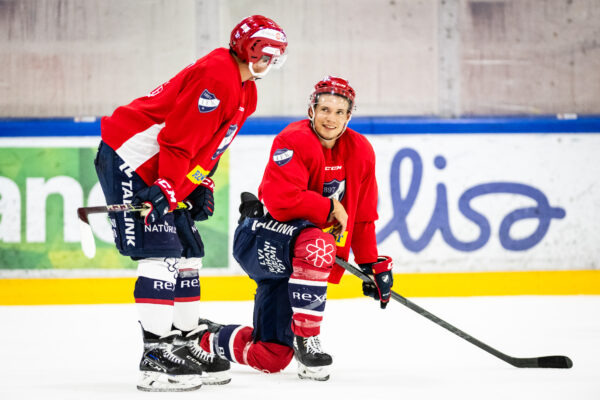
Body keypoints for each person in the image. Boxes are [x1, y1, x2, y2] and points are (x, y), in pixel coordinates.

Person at [93, 15, 288, 392]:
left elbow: (209, 147)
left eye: (276, 56)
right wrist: (169, 185)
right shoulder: (218, 75)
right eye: (265, 53)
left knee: (188, 249)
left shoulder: (246, 90)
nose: (270, 62)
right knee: (162, 250)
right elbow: (177, 140)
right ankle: (155, 352)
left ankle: (182, 339)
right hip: (132, 158)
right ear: (247, 48)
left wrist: (198, 182)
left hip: (164, 168)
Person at [192, 76, 394, 381]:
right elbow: (281, 199)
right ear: (311, 110)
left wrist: (371, 264)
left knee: (270, 357)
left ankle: (200, 337)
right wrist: (330, 207)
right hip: (263, 241)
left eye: (340, 112)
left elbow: (362, 216)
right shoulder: (293, 139)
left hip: (302, 259)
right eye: (325, 109)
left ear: (349, 117)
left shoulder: (360, 150)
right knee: (318, 243)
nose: (331, 118)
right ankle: (308, 340)